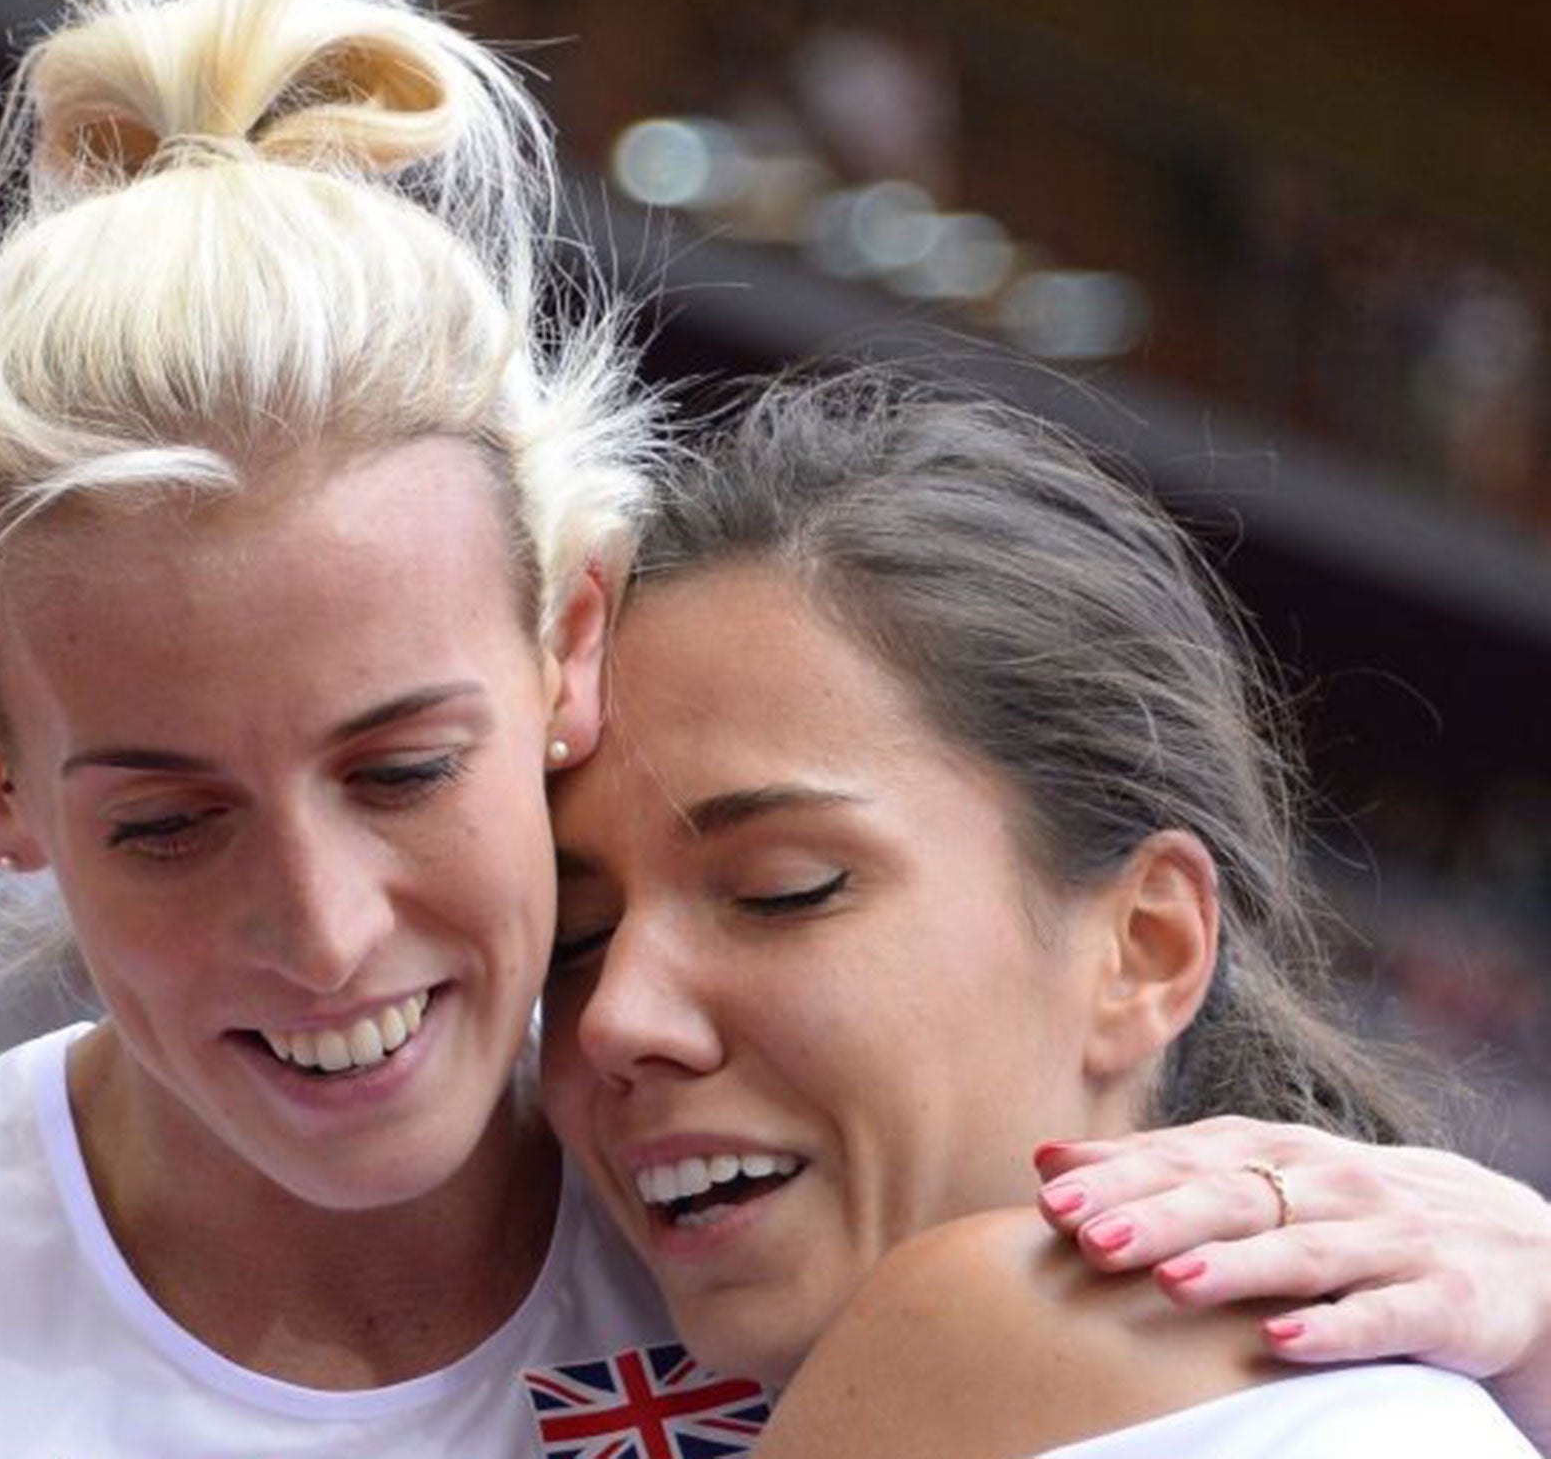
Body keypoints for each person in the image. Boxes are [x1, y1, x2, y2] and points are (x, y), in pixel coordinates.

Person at [0, 0, 1547, 1458]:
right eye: (163, 817)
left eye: (403, 767)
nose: (319, 927)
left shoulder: (835, 1246)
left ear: (564, 651)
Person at [537, 370, 1549, 1455]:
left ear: (1143, 948)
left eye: (781, 891)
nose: (611, 1020)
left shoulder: (968, 1332)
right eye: (574, 941)